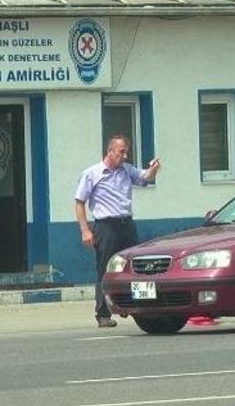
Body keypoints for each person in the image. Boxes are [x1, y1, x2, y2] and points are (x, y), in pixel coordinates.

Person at [74, 135, 162, 328]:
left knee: (136, 267)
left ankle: (138, 307)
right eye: (121, 152)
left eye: (126, 152)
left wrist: (153, 169)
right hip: (106, 227)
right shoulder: (92, 174)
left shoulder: (126, 170)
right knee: (106, 269)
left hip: (127, 224)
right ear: (110, 151)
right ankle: (103, 313)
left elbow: (144, 177)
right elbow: (79, 202)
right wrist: (85, 230)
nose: (124, 156)